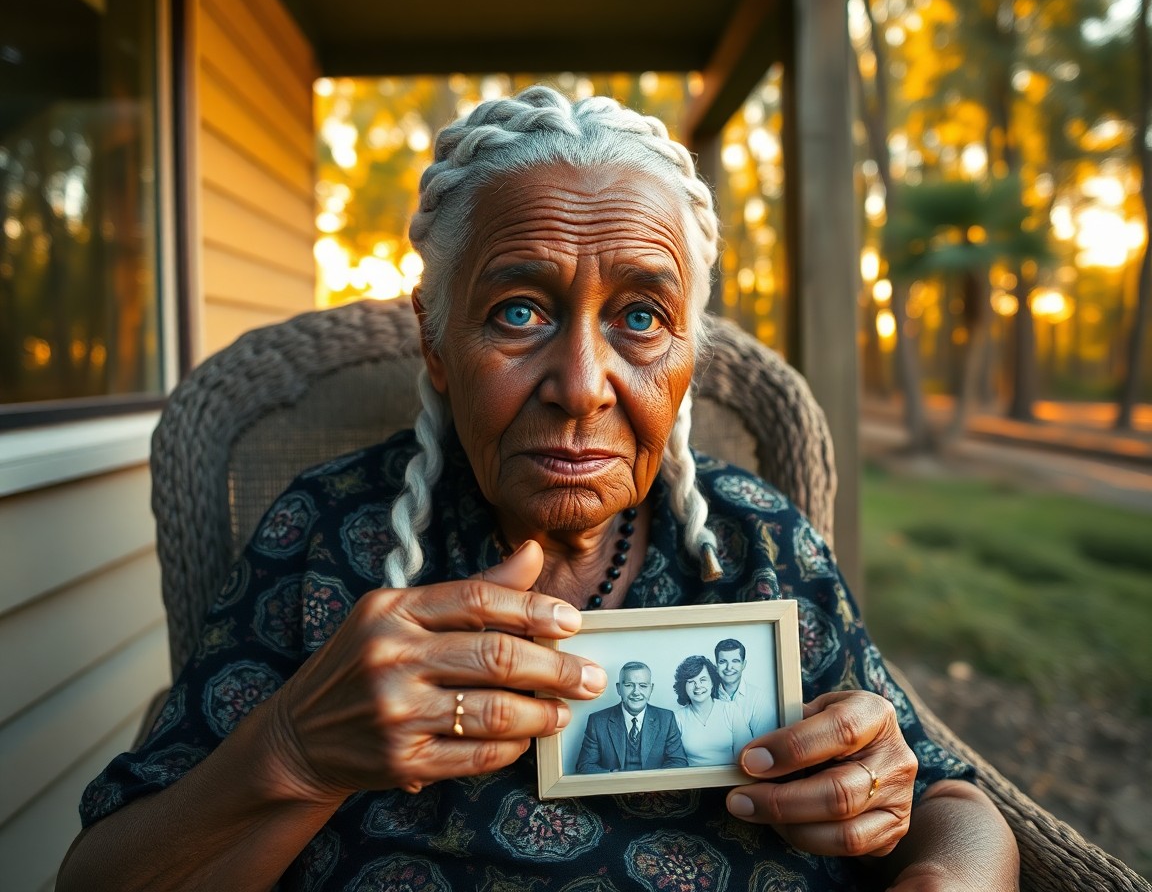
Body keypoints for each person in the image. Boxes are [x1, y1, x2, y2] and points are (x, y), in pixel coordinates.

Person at [59, 85, 1019, 891]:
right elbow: (97, 875)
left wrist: (919, 840)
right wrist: (296, 757)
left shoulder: (754, 542)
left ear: (690, 353)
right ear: (437, 344)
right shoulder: (325, 535)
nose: (583, 383)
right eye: (519, 310)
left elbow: (956, 805)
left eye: (642, 316)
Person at [575, 661, 688, 773]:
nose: (636, 692)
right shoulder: (597, 721)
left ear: (651, 689)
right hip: (615, 789)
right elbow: (584, 766)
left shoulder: (667, 719)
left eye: (643, 686)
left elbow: (678, 762)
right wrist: (613, 777)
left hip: (655, 789)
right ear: (619, 688)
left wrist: (651, 783)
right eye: (629, 685)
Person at [672, 655, 754, 766]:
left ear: (712, 683)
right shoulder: (677, 718)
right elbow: (676, 760)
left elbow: (746, 753)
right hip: (693, 780)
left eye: (703, 680)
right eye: (691, 682)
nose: (698, 686)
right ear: (683, 686)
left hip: (731, 778)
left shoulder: (730, 710)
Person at [715, 636, 777, 738]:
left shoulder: (758, 698)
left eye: (735, 661)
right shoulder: (706, 696)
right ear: (716, 665)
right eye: (723, 662)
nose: (729, 667)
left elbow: (764, 742)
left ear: (744, 664)